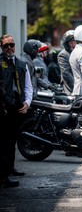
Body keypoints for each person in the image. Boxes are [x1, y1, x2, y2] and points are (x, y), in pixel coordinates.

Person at [0, 34, 33, 187]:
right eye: (5, 45)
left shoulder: (21, 64)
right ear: (1, 47)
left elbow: (28, 86)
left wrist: (27, 103)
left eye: (11, 45)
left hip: (16, 107)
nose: (9, 48)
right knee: (4, 143)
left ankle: (10, 168)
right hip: (3, 108)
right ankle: (4, 177)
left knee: (12, 140)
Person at [58, 29, 76, 95]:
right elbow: (66, 74)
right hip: (70, 88)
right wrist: (76, 87)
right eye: (71, 42)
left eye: (75, 42)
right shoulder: (63, 54)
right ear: (66, 43)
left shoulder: (77, 53)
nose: (73, 44)